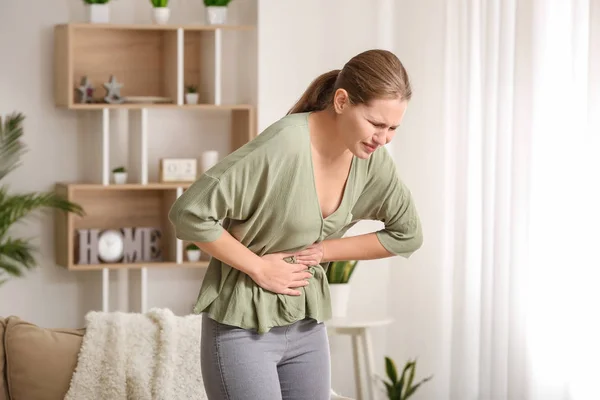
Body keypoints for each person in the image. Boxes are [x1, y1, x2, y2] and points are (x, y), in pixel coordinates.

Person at [168, 49, 423, 400]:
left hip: (307, 327)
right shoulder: (284, 145)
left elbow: (407, 234)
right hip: (242, 325)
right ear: (342, 101)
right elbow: (189, 212)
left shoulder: (370, 159)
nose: (384, 138)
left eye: (393, 127)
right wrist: (259, 267)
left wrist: (324, 251)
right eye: (376, 123)